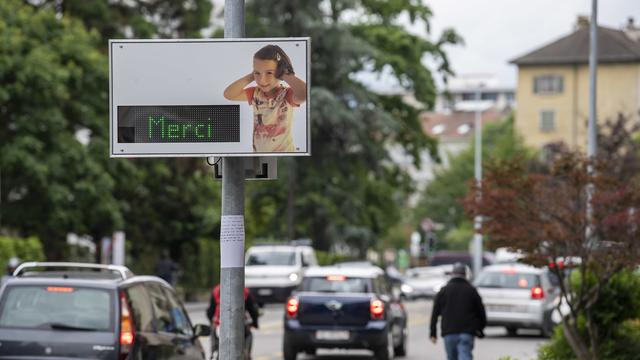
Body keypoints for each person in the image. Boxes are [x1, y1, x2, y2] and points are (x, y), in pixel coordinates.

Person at [223, 44, 307, 152]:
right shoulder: (255, 93)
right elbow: (229, 94)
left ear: (280, 72)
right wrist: (251, 76)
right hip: (258, 156)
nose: (262, 80)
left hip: (284, 157)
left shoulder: (286, 95)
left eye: (269, 73)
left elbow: (305, 93)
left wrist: (286, 74)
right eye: (257, 73)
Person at [430, 263, 486, 360]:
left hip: (449, 332)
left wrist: (433, 333)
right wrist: (480, 328)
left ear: (452, 274)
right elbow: (481, 312)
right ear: (465, 274)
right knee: (465, 354)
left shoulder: (443, 291)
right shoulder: (471, 291)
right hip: (467, 332)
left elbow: (435, 314)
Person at [206, 283, 259, 360]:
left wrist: (212, 322)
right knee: (248, 335)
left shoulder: (216, 290)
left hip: (219, 323)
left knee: (214, 337)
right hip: (239, 324)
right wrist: (255, 323)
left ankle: (213, 354)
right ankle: (247, 354)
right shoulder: (244, 291)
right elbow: (253, 310)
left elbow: (210, 312)